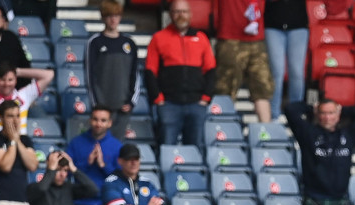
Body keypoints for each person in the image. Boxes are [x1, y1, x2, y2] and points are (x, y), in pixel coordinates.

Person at [143, 0, 217, 151]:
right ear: (170, 14)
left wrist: (206, 98)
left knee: (194, 151)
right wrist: (158, 99)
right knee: (166, 149)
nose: (180, 15)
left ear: (190, 14)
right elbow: (150, 70)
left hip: (196, 104)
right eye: (177, 11)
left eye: (184, 11)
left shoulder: (201, 38)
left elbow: (211, 70)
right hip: (169, 105)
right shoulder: (159, 38)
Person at [65, 105, 121, 205]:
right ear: (90, 120)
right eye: (95, 119)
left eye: (103, 120)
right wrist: (87, 163)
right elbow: (66, 171)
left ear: (110, 123)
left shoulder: (117, 146)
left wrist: (103, 165)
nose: (98, 123)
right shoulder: (76, 142)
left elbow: (120, 178)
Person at [85, 0, 140, 140]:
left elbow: (135, 75)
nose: (113, 19)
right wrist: (96, 104)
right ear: (103, 17)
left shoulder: (129, 43)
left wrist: (131, 101)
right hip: (102, 109)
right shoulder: (94, 42)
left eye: (116, 15)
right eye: (109, 15)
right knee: (99, 146)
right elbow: (89, 76)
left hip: (123, 108)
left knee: (117, 148)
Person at [214, 0, 273, 123]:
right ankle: (224, 128)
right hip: (230, 39)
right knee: (226, 89)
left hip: (257, 40)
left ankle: (268, 131)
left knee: (262, 89)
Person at [0, 61, 54, 135]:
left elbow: (49, 74)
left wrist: (17, 71)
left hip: (19, 146)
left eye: (10, 80)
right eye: (2, 79)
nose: (6, 84)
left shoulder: (24, 95)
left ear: (16, 80)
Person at [264, 0, 309, 120]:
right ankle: (273, 113)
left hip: (298, 26)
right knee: (276, 71)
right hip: (273, 25)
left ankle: (296, 112)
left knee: (297, 72)